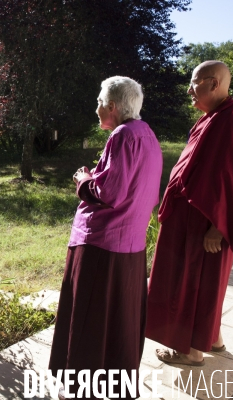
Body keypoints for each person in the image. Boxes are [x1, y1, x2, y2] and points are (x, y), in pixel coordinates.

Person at [146, 61, 233, 366]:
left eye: (195, 82)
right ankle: (212, 340)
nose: (189, 90)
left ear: (214, 83)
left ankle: (190, 351)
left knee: (193, 284)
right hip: (193, 218)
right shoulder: (214, 117)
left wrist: (218, 226)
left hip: (207, 224)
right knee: (205, 284)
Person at [48, 76, 162, 399]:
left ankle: (84, 389)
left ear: (112, 106)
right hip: (130, 247)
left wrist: (84, 179)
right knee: (119, 324)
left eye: (99, 101)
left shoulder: (123, 135)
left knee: (91, 320)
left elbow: (110, 191)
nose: (96, 107)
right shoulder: (148, 136)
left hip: (102, 246)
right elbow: (139, 190)